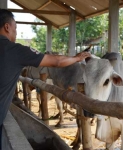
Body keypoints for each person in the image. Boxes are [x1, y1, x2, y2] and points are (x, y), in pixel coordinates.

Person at [0, 9, 91, 149]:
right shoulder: (15, 50)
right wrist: (77, 58)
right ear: (7, 27)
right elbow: (57, 62)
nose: (16, 32)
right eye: (15, 28)